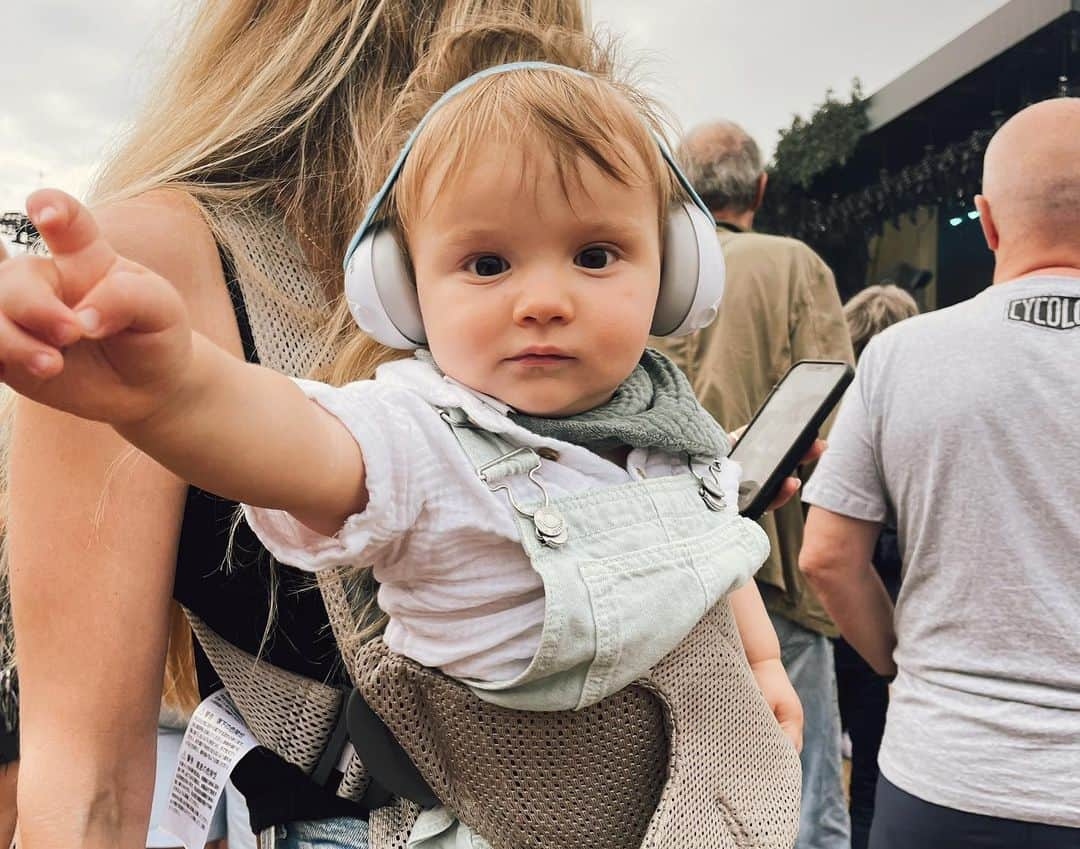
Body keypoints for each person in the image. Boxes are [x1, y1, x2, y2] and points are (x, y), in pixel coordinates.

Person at [1, 33, 808, 848]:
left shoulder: (665, 419)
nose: (544, 299)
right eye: (488, 263)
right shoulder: (422, 430)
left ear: (674, 272)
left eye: (594, 255)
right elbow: (294, 441)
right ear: (403, 292)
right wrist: (175, 389)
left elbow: (711, 550)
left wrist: (764, 666)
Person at [799, 98, 1080, 848]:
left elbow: (827, 555)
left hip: (946, 777)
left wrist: (907, 666)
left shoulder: (902, 356)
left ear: (987, 222)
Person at [658, 119, 854, 849]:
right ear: (762, 187)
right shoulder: (796, 264)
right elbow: (831, 424)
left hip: (666, 577)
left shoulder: (645, 265)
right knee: (800, 793)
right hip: (772, 566)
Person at [830, 285, 916, 849]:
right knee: (876, 768)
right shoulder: (912, 403)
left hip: (824, 614)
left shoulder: (829, 401)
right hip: (885, 612)